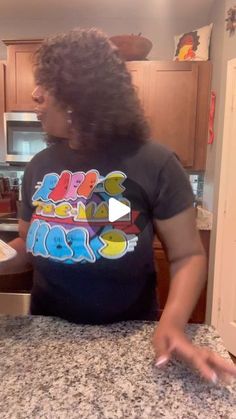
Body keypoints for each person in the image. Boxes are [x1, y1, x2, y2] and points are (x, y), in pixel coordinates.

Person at [1, 28, 236, 385]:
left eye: (46, 83)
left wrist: (171, 324)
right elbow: (29, 246)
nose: (35, 93)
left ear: (80, 95)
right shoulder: (39, 165)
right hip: (47, 336)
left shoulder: (154, 162)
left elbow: (188, 255)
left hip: (131, 336)